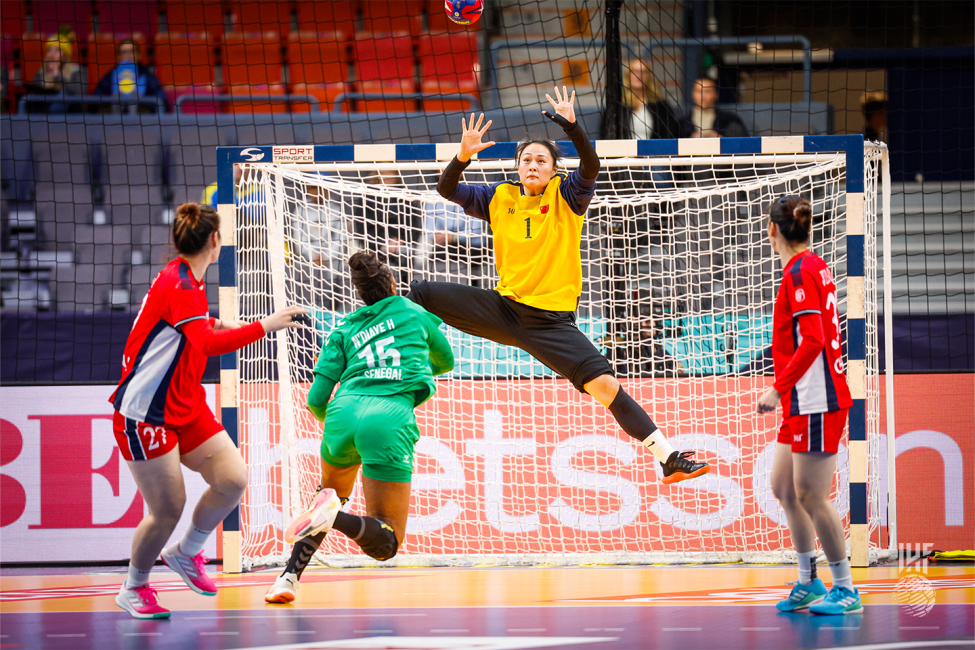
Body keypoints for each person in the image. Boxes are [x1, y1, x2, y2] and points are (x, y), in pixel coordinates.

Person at [407, 88, 710, 483]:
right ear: (517, 167)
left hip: (551, 324)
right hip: (504, 309)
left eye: (541, 160)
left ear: (553, 168)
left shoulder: (567, 195)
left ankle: (668, 457)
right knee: (423, 293)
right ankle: (398, 365)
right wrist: (462, 157)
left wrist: (570, 124)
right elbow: (447, 189)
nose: (532, 165)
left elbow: (591, 163)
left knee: (605, 386)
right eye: (526, 160)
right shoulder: (499, 197)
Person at [110, 202, 307, 619]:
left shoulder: (191, 281)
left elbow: (199, 327)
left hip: (185, 402)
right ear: (215, 241)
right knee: (167, 509)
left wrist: (229, 323)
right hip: (147, 412)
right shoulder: (178, 285)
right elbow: (205, 344)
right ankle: (134, 586)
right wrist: (266, 325)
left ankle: (188, 552)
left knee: (233, 479)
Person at [264, 250, 454, 603]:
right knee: (386, 543)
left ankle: (287, 579)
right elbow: (447, 361)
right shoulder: (415, 313)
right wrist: (410, 371)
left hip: (342, 414)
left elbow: (316, 400)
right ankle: (332, 518)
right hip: (388, 417)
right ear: (394, 284)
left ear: (359, 294)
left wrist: (336, 421)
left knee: (328, 493)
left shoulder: (343, 328)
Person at [756, 195, 861, 616]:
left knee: (812, 495)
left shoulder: (800, 271)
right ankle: (808, 581)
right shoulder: (811, 264)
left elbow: (814, 339)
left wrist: (778, 389)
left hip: (816, 397)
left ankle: (847, 588)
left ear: (773, 230)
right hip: (805, 396)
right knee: (784, 488)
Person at [93, 38, 169, 113]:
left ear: (138, 55)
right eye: (124, 52)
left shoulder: (145, 73)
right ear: (119, 56)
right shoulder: (111, 74)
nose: (128, 55)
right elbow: (98, 95)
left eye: (131, 52)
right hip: (115, 116)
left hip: (141, 116)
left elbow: (158, 95)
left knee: (134, 96)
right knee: (116, 97)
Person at [28, 36, 87, 109]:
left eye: (57, 50)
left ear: (65, 55)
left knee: (64, 95)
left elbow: (80, 94)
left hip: (71, 114)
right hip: (43, 112)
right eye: (49, 50)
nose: (51, 55)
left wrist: (58, 76)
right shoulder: (40, 73)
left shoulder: (77, 71)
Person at [680, 76, 749, 138]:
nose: (703, 96)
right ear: (693, 94)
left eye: (707, 91)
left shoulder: (730, 120)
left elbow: (743, 144)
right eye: (699, 91)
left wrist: (720, 138)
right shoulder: (682, 123)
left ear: (716, 94)